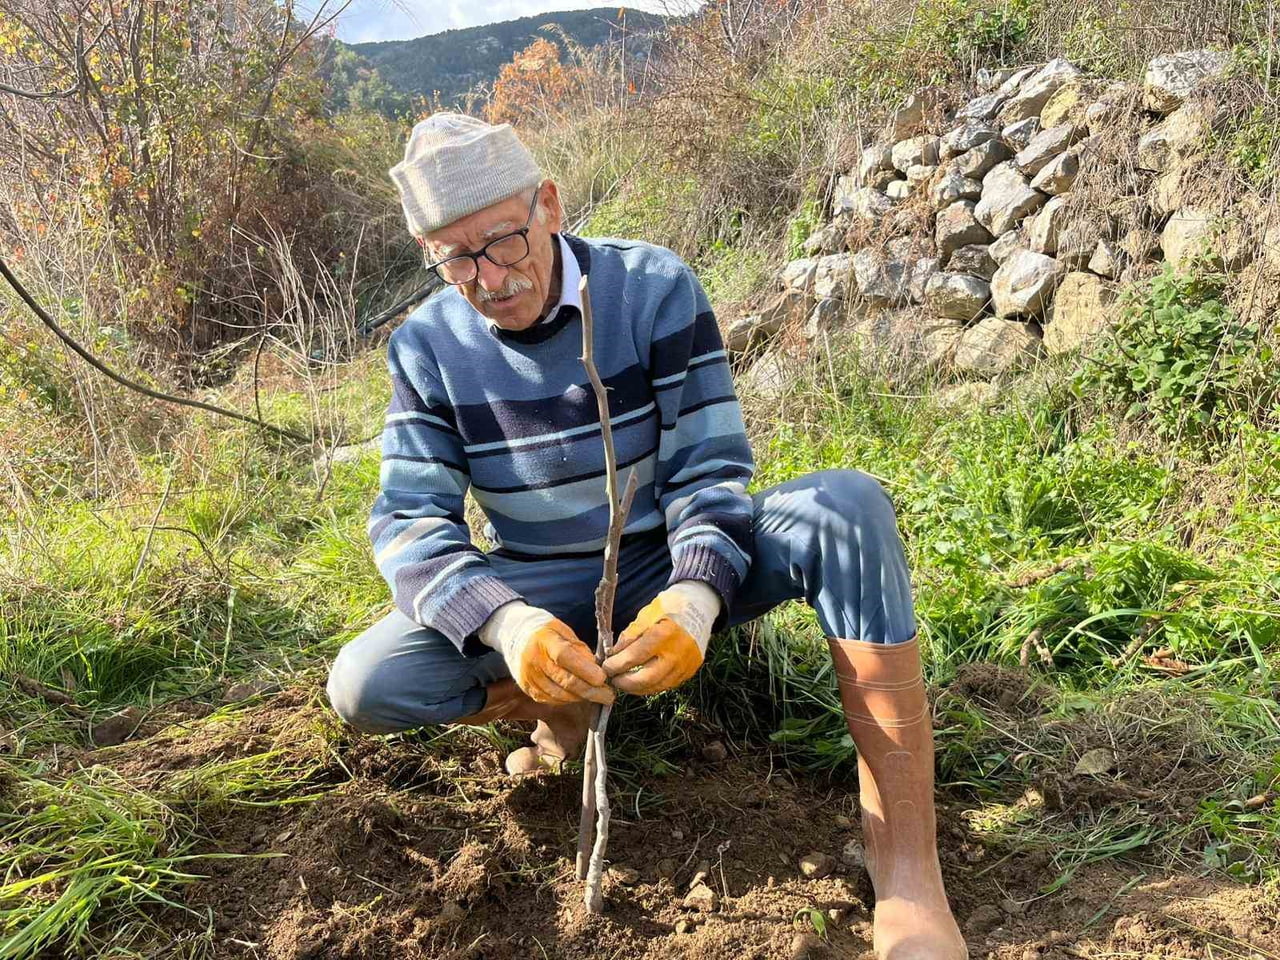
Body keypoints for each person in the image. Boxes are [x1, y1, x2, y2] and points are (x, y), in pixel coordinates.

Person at [326, 113, 965, 960]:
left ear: (548, 204)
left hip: (671, 553)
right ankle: (563, 697)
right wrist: (509, 625)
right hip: (541, 581)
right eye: (454, 257)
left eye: (504, 241)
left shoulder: (650, 287)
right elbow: (409, 520)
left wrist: (696, 599)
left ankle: (907, 867)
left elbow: (709, 470)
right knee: (366, 682)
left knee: (846, 509)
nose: (487, 277)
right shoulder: (426, 349)